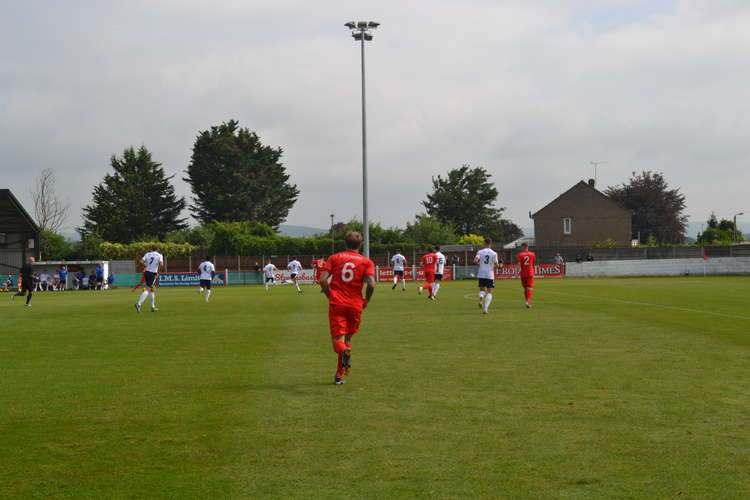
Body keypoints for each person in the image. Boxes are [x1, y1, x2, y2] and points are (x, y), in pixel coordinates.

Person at [319, 231, 375, 385]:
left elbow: (322, 280)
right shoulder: (366, 262)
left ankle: (343, 353)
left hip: (337, 303)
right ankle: (339, 375)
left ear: (345, 243)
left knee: (338, 341)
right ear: (361, 245)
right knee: (348, 339)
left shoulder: (334, 258)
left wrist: (330, 295)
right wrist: (367, 300)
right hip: (355, 304)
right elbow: (371, 284)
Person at [474, 237, 500, 314]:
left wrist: (480, 264)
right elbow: (496, 265)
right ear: (490, 244)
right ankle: (485, 309)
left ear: (484, 243)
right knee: (489, 292)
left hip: (481, 273)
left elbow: (475, 261)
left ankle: (481, 298)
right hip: (489, 274)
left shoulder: (480, 251)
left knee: (482, 290)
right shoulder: (494, 253)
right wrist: (499, 265)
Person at [135, 245, 164, 313]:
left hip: (146, 272)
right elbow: (161, 264)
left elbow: (141, 261)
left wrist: (146, 265)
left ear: (151, 249)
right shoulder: (159, 255)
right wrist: (158, 272)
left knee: (152, 289)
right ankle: (138, 304)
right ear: (158, 249)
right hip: (152, 273)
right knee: (148, 289)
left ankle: (152, 307)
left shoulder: (147, 254)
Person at [516, 242, 537, 309]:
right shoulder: (532, 254)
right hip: (530, 273)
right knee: (529, 288)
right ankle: (528, 302)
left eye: (521, 247)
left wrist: (517, 272)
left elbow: (519, 264)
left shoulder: (520, 255)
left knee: (525, 288)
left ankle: (527, 301)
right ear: (527, 247)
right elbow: (533, 264)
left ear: (523, 246)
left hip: (523, 273)